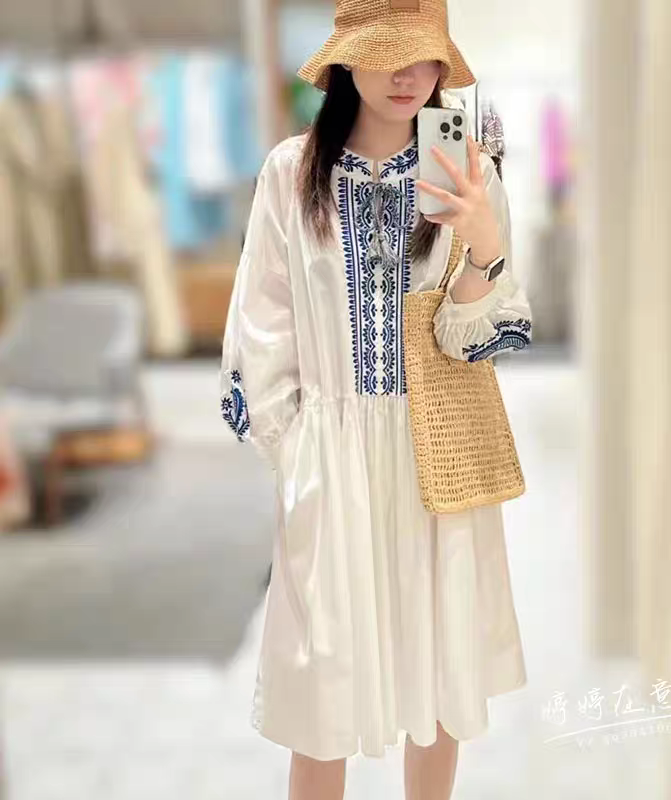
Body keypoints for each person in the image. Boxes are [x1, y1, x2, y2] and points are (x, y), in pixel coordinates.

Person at [219, 1, 534, 798]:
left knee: (440, 680)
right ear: (344, 59)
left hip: (437, 463)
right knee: (320, 688)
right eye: (387, 52)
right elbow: (262, 325)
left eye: (425, 56)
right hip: (329, 463)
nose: (408, 74)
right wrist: (296, 452)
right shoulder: (291, 174)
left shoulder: (469, 170)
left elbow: (467, 340)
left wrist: (484, 247)